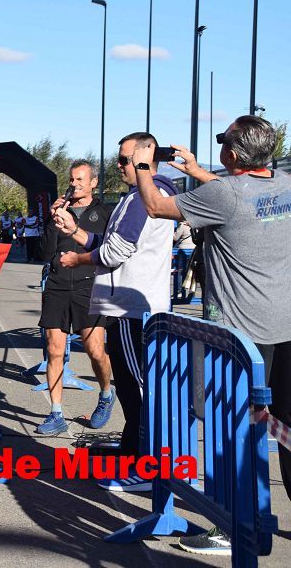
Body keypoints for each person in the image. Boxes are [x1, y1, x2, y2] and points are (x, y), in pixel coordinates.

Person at [130, 117, 291, 555]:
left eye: (225, 144)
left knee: (232, 429)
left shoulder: (223, 194)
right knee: (286, 431)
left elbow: (157, 207)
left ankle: (234, 525)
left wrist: (143, 167)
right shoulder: (283, 184)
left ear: (233, 156)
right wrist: (198, 171)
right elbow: (242, 196)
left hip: (242, 336)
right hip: (286, 326)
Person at [56, 132, 177, 492]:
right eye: (120, 160)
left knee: (138, 389)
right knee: (131, 386)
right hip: (133, 304)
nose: (120, 166)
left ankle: (144, 465)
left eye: (124, 160)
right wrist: (77, 232)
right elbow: (109, 243)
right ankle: (133, 453)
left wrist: (78, 259)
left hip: (133, 307)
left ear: (145, 159)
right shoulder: (142, 194)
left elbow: (115, 252)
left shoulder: (145, 194)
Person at [35, 161, 115, 435]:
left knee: (95, 351)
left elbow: (111, 248)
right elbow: (44, 253)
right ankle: (56, 413)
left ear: (93, 182)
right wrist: (51, 218)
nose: (75, 184)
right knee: (54, 350)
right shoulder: (60, 212)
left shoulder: (105, 211)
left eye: (81, 179)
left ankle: (106, 394)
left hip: (89, 287)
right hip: (57, 286)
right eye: (72, 179)